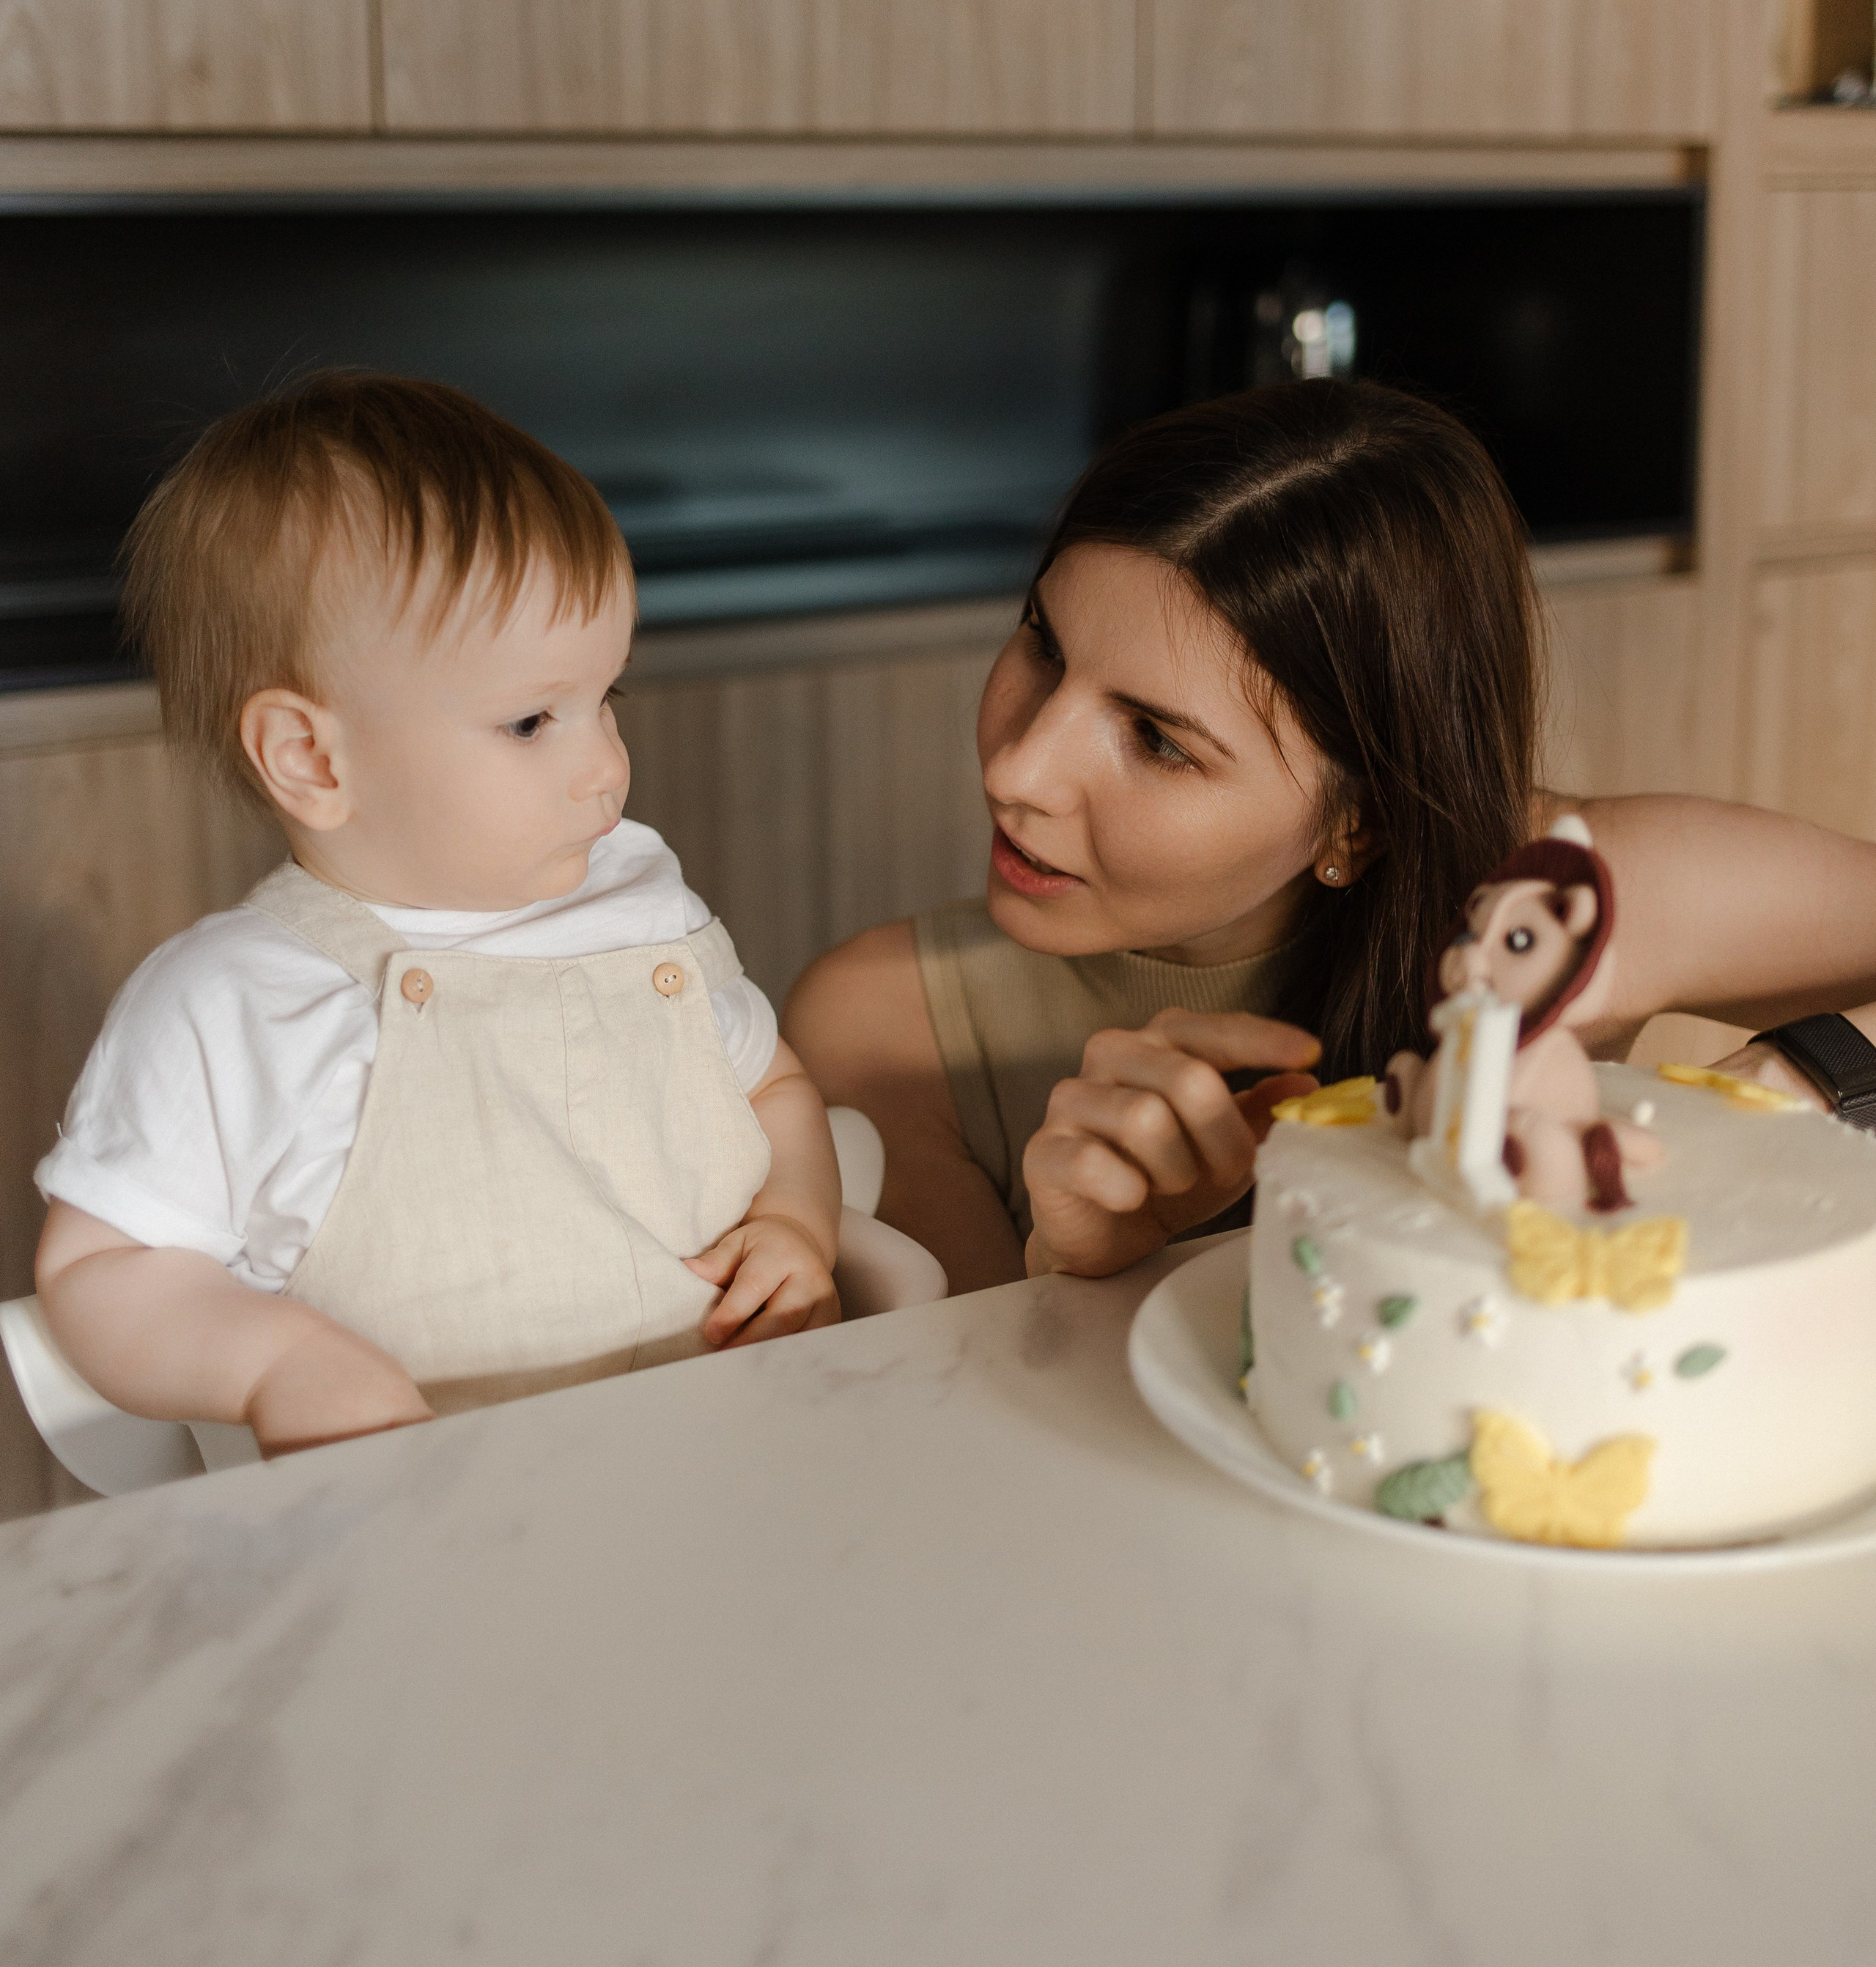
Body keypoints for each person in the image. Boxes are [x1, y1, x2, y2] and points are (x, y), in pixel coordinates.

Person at [785, 382, 1876, 1291]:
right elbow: (962, 1452)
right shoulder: (877, 1026)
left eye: (1157, 739)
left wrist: (1796, 1082)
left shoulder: (1562, 893)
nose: (1015, 770)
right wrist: (1074, 1273)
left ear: (1364, 819)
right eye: (1044, 642)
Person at [34, 375, 842, 1455]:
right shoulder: (234, 1003)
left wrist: (795, 1220)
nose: (607, 767)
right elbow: (101, 1267)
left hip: (728, 1465)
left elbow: (775, 1087)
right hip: (431, 1521)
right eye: (531, 722)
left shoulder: (644, 911)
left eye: (607, 698)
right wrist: (276, 1364)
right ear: (310, 759)